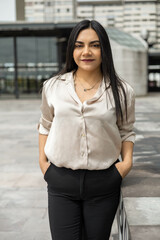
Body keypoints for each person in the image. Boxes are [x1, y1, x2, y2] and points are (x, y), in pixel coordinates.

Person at [38, 19, 136, 240]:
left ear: (104, 49)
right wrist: (43, 165)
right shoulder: (53, 87)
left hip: (104, 183)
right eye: (79, 45)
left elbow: (126, 130)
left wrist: (126, 164)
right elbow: (45, 125)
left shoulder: (122, 91)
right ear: (71, 49)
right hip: (61, 182)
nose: (86, 52)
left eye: (95, 44)